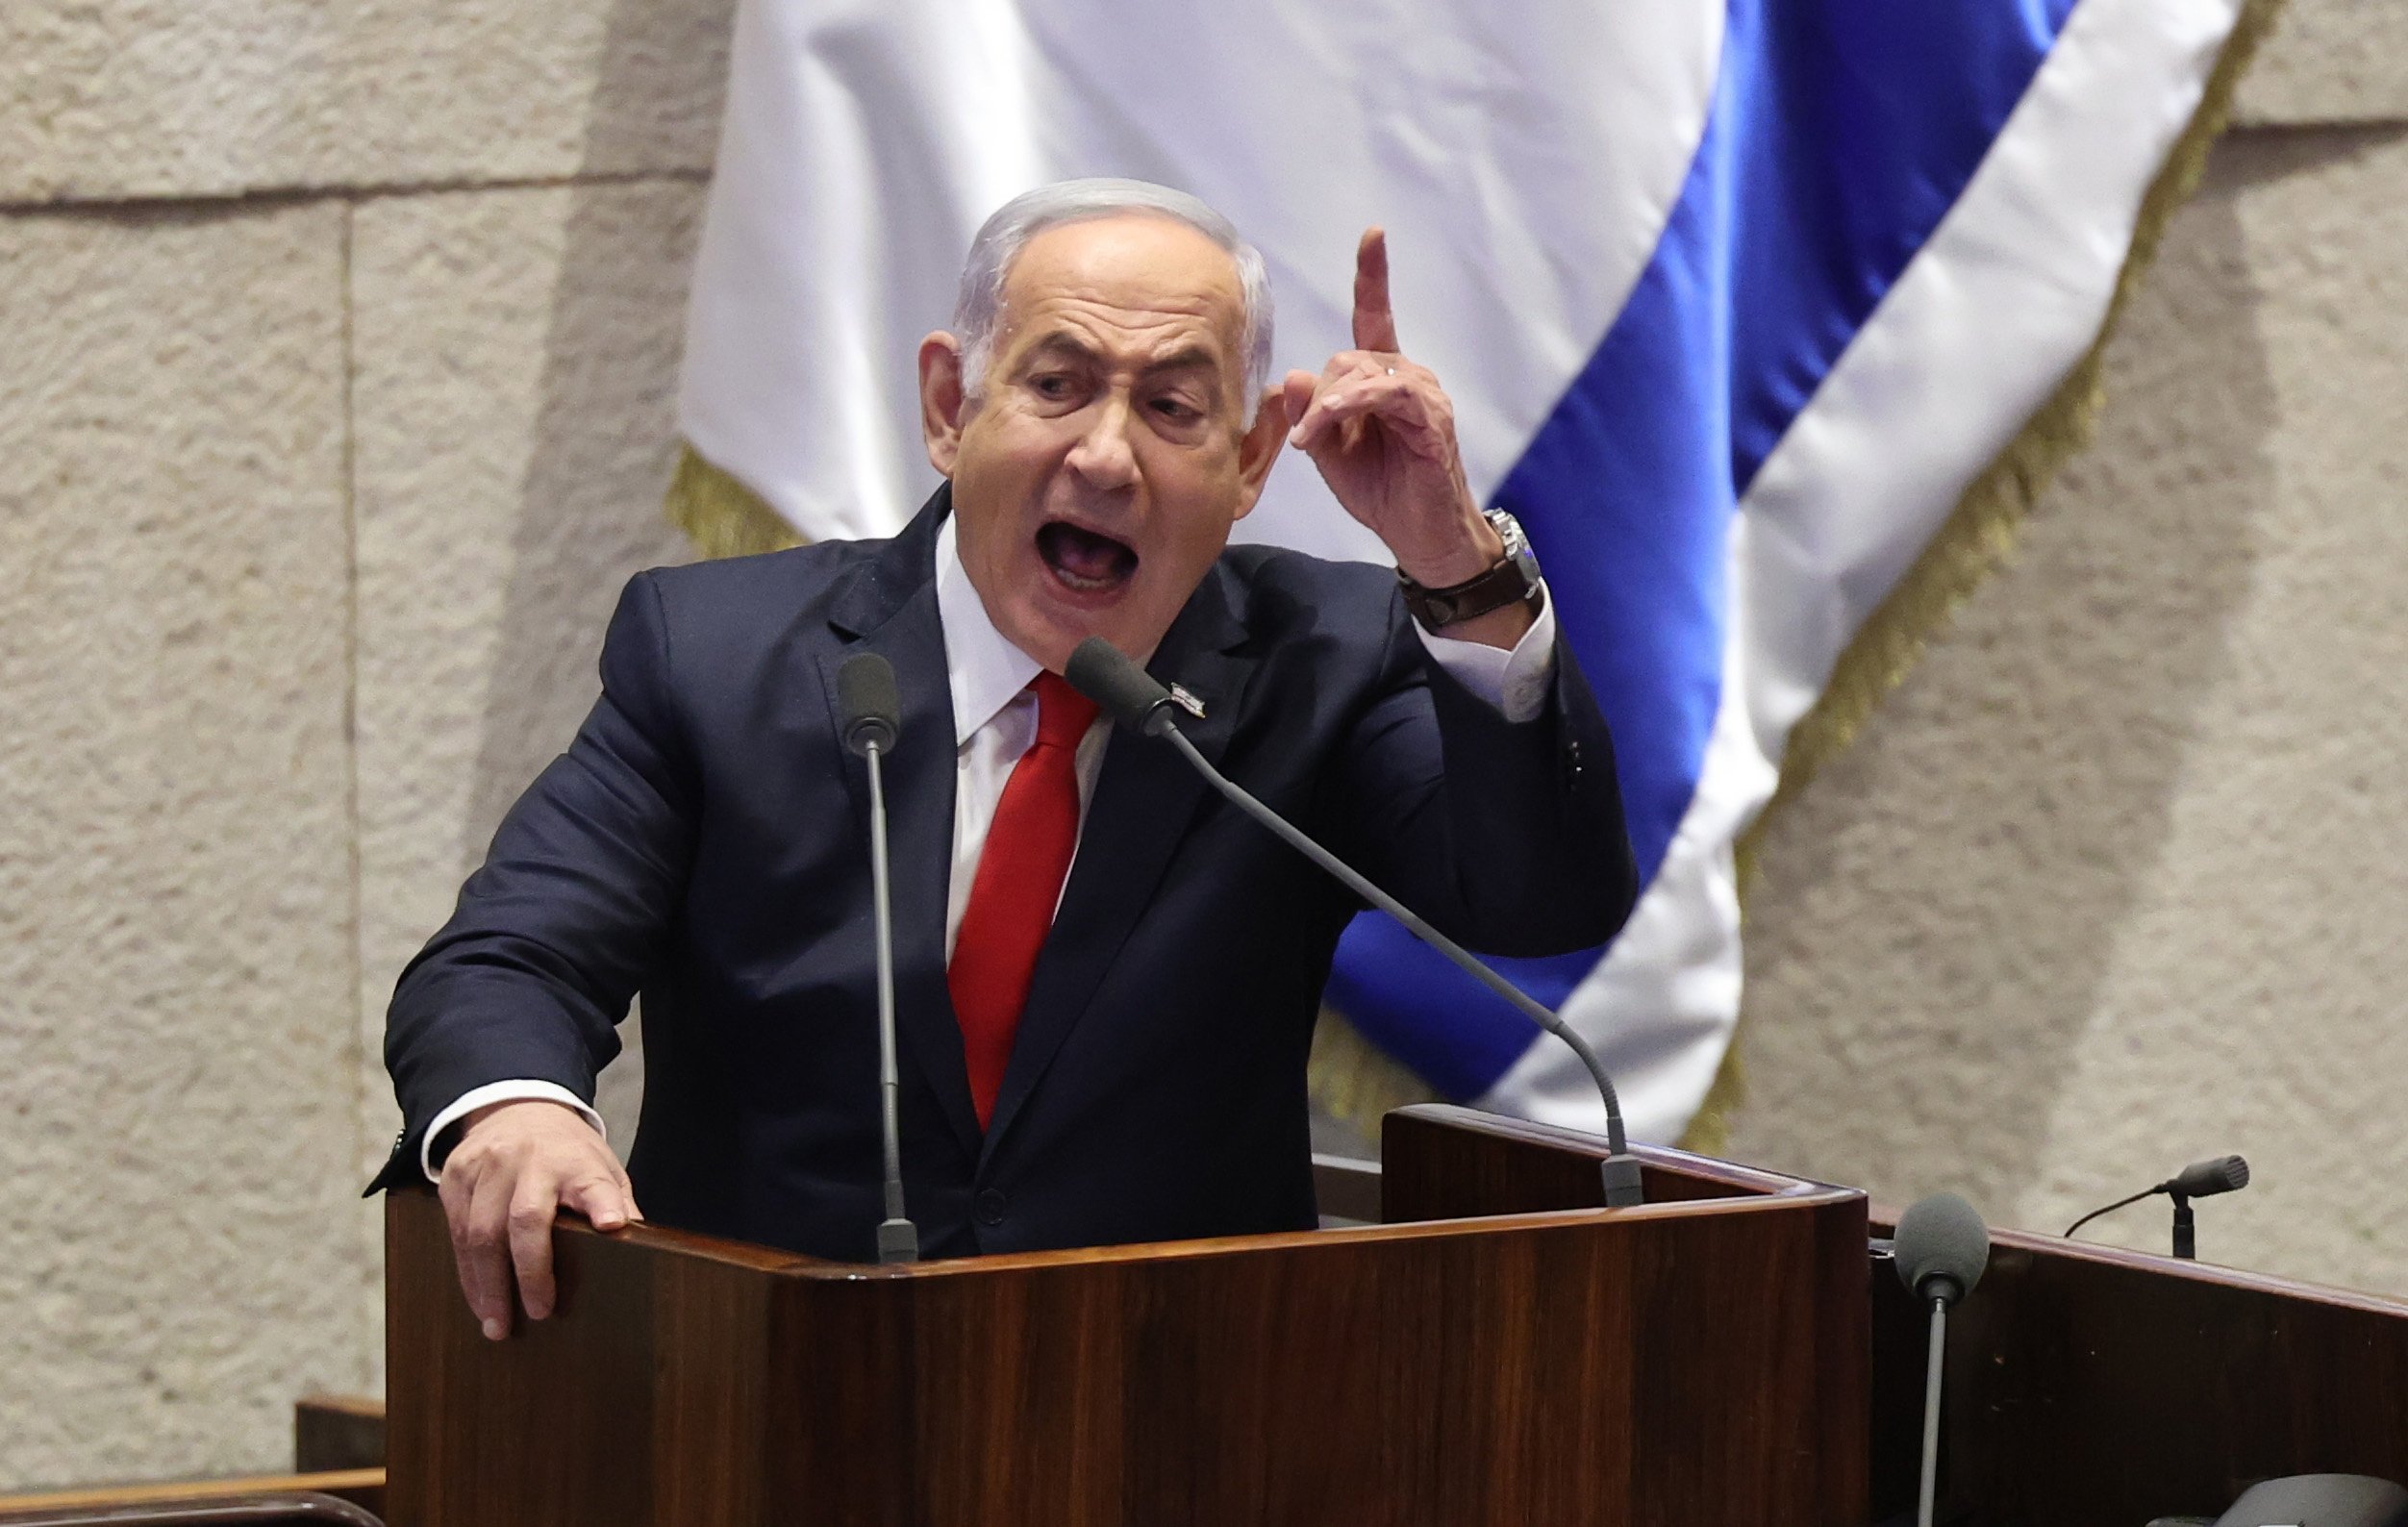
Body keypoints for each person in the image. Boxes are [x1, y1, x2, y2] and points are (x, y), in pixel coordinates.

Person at [373, 179, 1637, 1341]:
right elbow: (511, 955)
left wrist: (1453, 562)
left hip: (1179, 1421)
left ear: (1252, 461)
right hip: (756, 1402)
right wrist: (517, 1104)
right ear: (948, 407)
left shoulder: (1325, 658)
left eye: (1173, 407)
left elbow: (1539, 904)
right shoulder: (717, 656)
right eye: (1057, 385)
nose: (1103, 454)